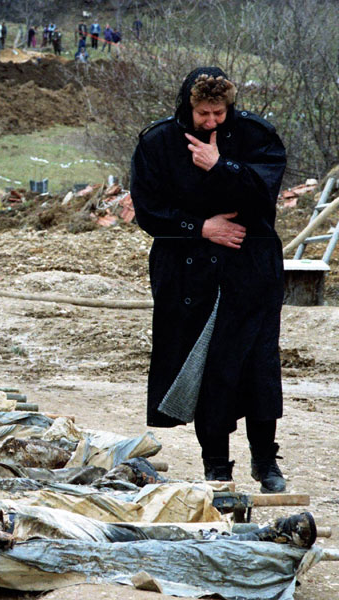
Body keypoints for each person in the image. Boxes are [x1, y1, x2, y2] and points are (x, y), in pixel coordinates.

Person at [130, 67, 288, 493]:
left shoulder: (256, 135)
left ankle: (265, 461)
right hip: (189, 272)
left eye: (219, 113)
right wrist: (200, 228)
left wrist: (222, 166)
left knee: (258, 366)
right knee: (207, 367)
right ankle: (216, 465)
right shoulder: (158, 142)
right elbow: (148, 211)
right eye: (204, 113)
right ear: (189, 106)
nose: (212, 121)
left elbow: (263, 193)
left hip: (250, 267)